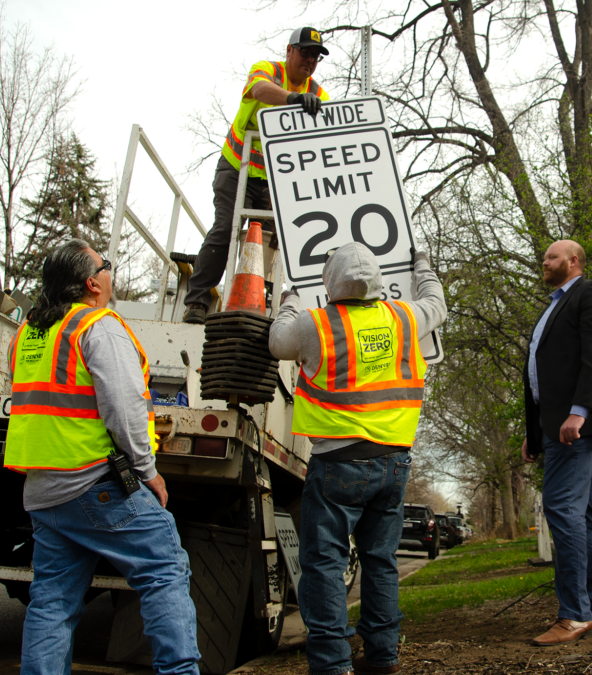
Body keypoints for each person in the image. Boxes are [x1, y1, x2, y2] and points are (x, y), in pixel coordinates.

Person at [5, 239, 200, 675]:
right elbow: (126, 407)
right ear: (92, 283)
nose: (110, 273)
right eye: (106, 266)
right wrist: (149, 472)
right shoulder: (99, 326)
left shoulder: (28, 332)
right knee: (164, 568)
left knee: (52, 600)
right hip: (95, 483)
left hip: (43, 491)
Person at [268, 243, 446, 675]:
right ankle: (383, 656)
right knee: (381, 562)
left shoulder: (317, 325)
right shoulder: (404, 318)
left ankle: (332, 664)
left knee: (325, 564)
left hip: (338, 462)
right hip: (393, 463)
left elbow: (277, 342)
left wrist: (290, 298)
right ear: (378, 281)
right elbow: (436, 302)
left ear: (330, 283)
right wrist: (421, 264)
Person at [183, 26, 332, 324]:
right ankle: (197, 301)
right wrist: (293, 99)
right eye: (305, 52)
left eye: (316, 56)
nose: (310, 60)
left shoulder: (318, 93)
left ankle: (262, 302)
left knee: (275, 239)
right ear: (289, 51)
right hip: (237, 167)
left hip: (275, 180)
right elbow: (259, 90)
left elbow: (326, 132)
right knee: (225, 228)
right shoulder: (266, 71)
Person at [521, 239, 592, 647]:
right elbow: (540, 372)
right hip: (554, 427)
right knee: (584, 514)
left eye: (551, 257)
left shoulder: (591, 292)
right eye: (544, 257)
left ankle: (575, 614)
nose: (544, 262)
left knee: (560, 505)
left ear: (573, 260)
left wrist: (579, 411)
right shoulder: (551, 306)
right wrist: (533, 433)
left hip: (578, 424)